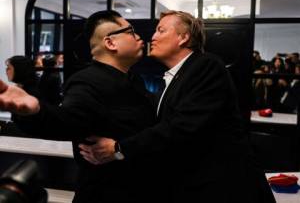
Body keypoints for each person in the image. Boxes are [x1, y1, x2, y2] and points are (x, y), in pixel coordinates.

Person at [79, 10, 276, 203]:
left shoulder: (206, 65)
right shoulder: (175, 78)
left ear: (183, 38)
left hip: (223, 189)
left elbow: (182, 126)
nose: (153, 37)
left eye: (161, 30)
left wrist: (118, 148)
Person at [0, 10, 158, 203]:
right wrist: (36, 110)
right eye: (130, 31)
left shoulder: (134, 80)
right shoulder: (87, 81)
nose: (139, 36)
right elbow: (68, 120)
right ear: (110, 42)